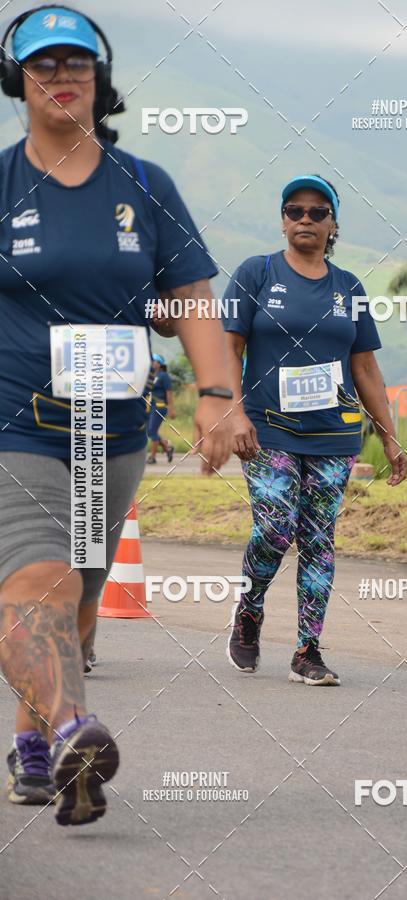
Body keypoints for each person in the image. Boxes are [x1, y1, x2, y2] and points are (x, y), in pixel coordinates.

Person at [0, 6, 232, 823]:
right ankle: (72, 731)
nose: (62, 78)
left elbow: (194, 300)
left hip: (116, 430)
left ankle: (36, 746)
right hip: (17, 421)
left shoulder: (144, 184)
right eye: (43, 66)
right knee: (38, 580)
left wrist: (217, 397)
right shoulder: (1, 183)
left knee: (80, 603)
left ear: (100, 80)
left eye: (76, 65)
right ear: (17, 81)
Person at [223, 174, 407, 685]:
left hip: (334, 434)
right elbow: (228, 349)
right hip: (268, 430)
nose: (305, 219)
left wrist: (389, 435)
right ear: (283, 220)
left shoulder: (349, 287)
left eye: (317, 212)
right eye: (294, 210)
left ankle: (307, 650)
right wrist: (234, 415)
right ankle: (250, 609)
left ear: (333, 224)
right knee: (275, 529)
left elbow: (366, 368)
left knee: (319, 539)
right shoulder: (255, 273)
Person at [146, 353, 175, 464]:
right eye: (152, 361)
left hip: (160, 407)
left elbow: (169, 392)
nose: (153, 363)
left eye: (155, 361)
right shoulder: (151, 375)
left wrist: (171, 409)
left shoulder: (163, 376)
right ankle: (167, 447)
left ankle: (152, 458)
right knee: (149, 432)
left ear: (160, 364)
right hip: (150, 406)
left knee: (152, 431)